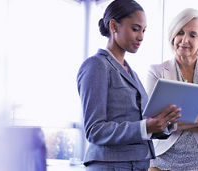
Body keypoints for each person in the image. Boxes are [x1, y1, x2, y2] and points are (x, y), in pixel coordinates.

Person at [77, 0, 181, 170]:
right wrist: (144, 127)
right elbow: (94, 130)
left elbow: (142, 123)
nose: (141, 37)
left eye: (143, 30)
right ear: (114, 26)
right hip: (110, 165)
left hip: (137, 164)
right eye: (135, 29)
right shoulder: (96, 66)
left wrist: (165, 122)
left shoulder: (131, 73)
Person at [147, 8, 198, 171]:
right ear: (173, 34)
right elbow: (155, 122)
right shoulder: (156, 72)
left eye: (192, 35)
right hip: (162, 160)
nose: (184, 40)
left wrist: (178, 121)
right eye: (180, 32)